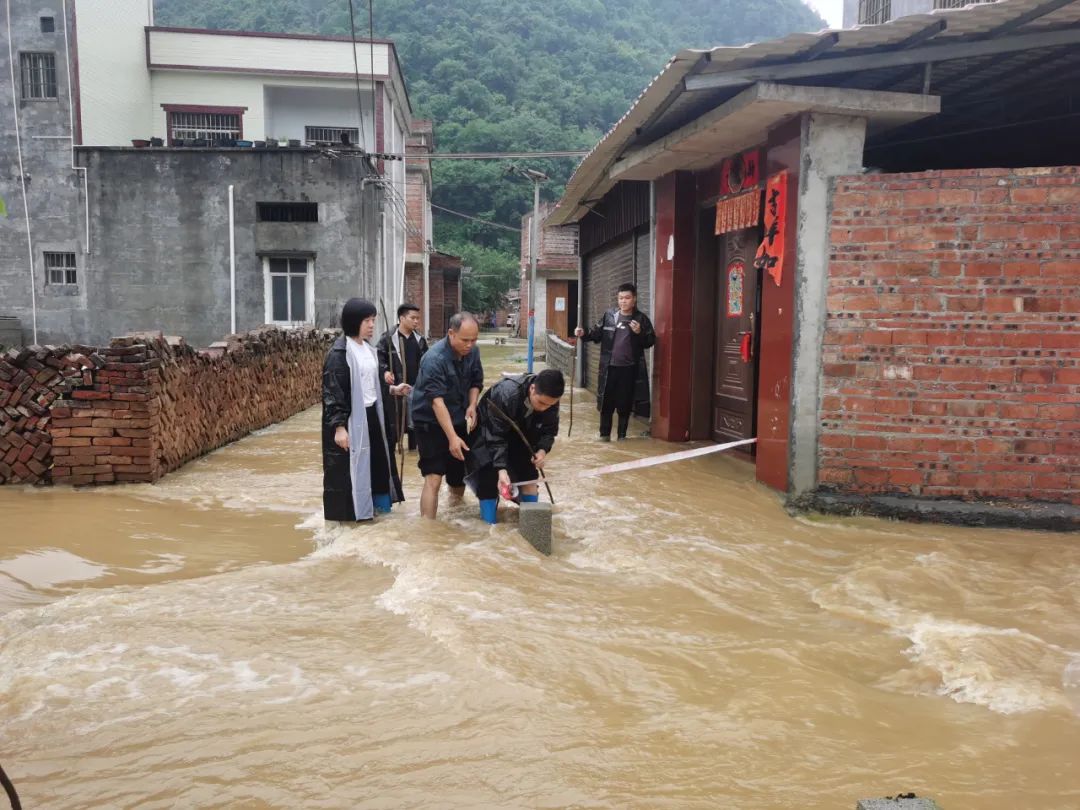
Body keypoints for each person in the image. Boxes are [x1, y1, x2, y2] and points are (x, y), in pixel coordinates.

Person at [321, 298, 405, 521]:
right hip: (351, 420)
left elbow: (373, 385)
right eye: (367, 320)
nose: (371, 325)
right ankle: (356, 516)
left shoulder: (369, 350)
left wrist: (394, 390)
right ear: (353, 322)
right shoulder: (339, 354)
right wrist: (339, 427)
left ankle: (382, 513)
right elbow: (334, 393)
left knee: (379, 464)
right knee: (350, 471)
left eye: (373, 320)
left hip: (373, 417)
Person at [409, 312, 483, 520]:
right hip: (430, 421)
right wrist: (452, 438)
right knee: (434, 475)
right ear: (451, 333)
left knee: (458, 476)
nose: (470, 345)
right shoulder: (434, 359)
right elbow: (436, 401)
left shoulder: (473, 352)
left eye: (474, 340)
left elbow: (476, 381)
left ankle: (454, 515)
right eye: (465, 340)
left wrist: (472, 405)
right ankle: (428, 528)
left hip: (459, 415)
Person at [466, 369, 563, 524]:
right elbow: (495, 437)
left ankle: (532, 526)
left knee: (529, 476)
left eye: (550, 405)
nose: (545, 408)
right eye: (541, 403)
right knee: (488, 478)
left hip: (522, 436)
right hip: (488, 434)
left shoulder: (551, 401)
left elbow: (549, 431)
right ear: (532, 389)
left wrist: (542, 451)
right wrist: (501, 470)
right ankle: (489, 529)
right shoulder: (506, 394)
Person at [575, 282, 656, 441]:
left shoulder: (641, 319)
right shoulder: (609, 316)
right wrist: (582, 333)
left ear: (634, 299)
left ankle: (622, 437)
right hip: (608, 368)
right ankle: (604, 436)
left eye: (627, 298)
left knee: (625, 404)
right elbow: (595, 334)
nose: (623, 301)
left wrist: (638, 332)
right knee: (606, 403)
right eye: (620, 298)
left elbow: (650, 341)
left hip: (629, 369)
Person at [377, 303, 428, 451]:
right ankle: (393, 452)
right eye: (413, 318)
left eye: (418, 318)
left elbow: (427, 362)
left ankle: (412, 450)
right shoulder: (388, 338)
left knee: (414, 428)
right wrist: (385, 372)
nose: (416, 321)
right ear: (402, 318)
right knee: (394, 426)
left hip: (415, 389)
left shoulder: (420, 340)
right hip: (396, 389)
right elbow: (379, 358)